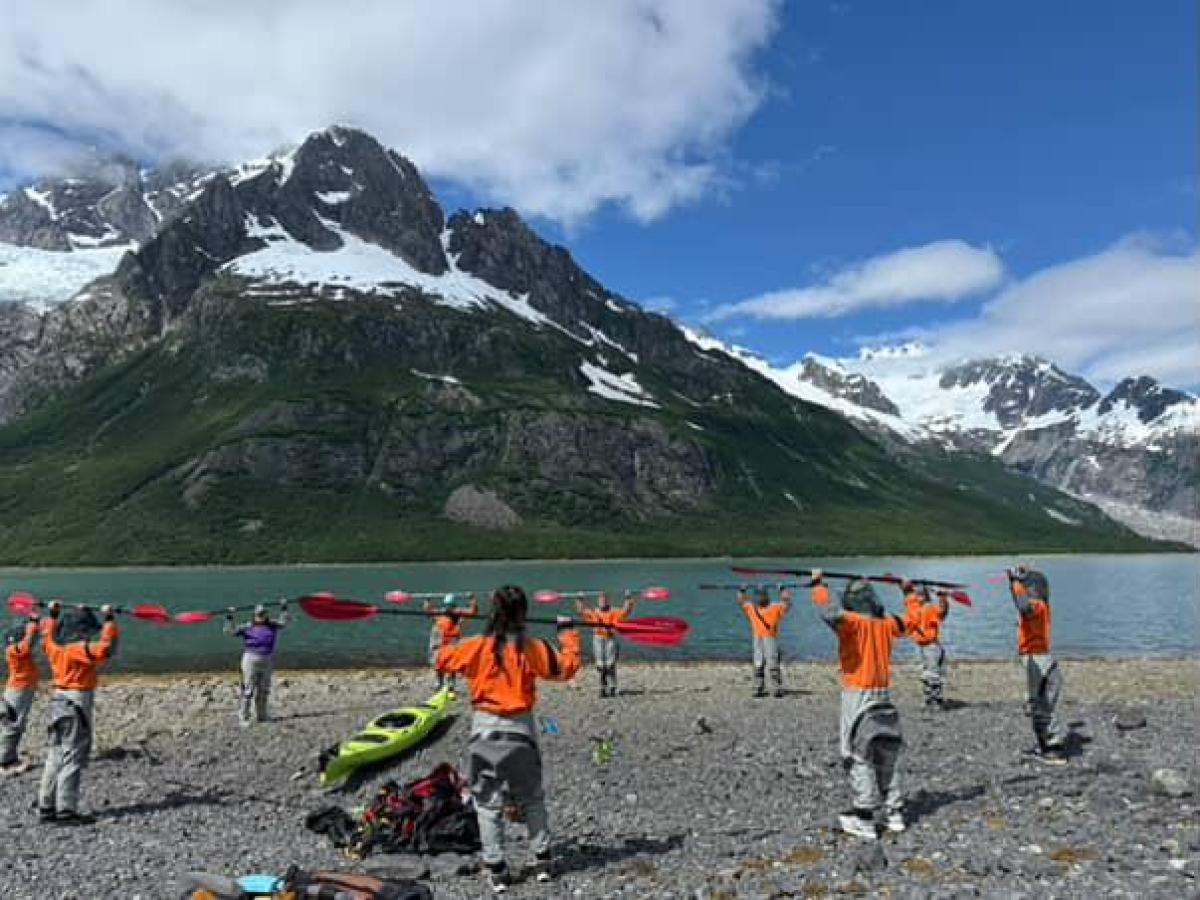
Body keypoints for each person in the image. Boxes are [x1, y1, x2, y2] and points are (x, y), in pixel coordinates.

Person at [435, 585, 580, 894]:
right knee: (532, 799)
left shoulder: (475, 646)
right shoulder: (532, 647)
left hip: (484, 731)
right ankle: (542, 862)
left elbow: (439, 658)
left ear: (493, 612)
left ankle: (498, 870)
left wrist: (447, 625)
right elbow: (566, 669)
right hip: (521, 732)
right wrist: (568, 635)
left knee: (488, 804)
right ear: (523, 614)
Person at [814, 579, 907, 840]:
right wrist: (909, 592)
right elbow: (907, 622)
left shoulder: (853, 623)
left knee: (858, 754)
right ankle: (894, 813)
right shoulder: (887, 624)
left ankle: (864, 818)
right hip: (883, 693)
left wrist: (818, 585)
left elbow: (829, 612)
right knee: (887, 751)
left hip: (858, 695)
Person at [38, 602, 119, 825]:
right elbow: (106, 649)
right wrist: (110, 621)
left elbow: (47, 635)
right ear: (81, 631)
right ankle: (66, 810)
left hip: (58, 700)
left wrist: (53, 614)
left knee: (55, 753)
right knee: (73, 754)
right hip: (77, 701)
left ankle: (46, 806)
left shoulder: (54, 647)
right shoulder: (78, 649)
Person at [1008, 565, 1067, 764]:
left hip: (1039, 658)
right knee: (1040, 702)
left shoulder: (1039, 606)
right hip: (1037, 658)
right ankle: (1047, 746)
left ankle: (1050, 745)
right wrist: (1014, 583)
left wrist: (1015, 582)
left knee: (1042, 701)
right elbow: (1022, 605)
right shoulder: (1038, 606)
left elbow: (1022, 605)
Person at [224, 601, 288, 726]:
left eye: (263, 614)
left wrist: (284, 608)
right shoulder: (247, 627)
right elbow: (229, 631)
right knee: (248, 690)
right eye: (259, 614)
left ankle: (262, 715)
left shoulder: (272, 625)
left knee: (264, 689)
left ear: (266, 615)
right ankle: (244, 717)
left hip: (267, 659)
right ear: (254, 615)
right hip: (250, 660)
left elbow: (284, 623)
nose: (261, 616)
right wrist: (230, 617)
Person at [576, 591, 636, 698]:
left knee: (610, 665)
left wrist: (628, 598)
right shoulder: (594, 612)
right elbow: (581, 611)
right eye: (600, 600)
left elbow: (626, 611)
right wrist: (580, 599)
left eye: (604, 600)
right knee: (600, 666)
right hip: (598, 639)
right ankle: (602, 688)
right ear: (598, 601)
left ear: (608, 601)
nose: (602, 602)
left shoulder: (614, 611)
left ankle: (612, 687)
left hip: (610, 640)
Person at [1, 610, 41, 774]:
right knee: (12, 725)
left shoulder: (15, 648)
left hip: (21, 689)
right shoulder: (14, 649)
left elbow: (31, 640)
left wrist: (35, 624)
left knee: (15, 723)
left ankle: (9, 757)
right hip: (18, 691)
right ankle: (5, 762)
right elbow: (28, 642)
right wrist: (32, 623)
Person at [738, 585, 792, 698]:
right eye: (758, 595)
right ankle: (758, 688)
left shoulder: (775, 607)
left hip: (770, 638)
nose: (760, 598)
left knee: (773, 664)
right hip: (757, 638)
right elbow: (741, 600)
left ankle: (776, 688)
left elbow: (787, 604)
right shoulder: (751, 607)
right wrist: (742, 590)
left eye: (762, 595)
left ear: (766, 596)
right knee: (758, 664)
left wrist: (782, 590)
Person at [903, 585, 950, 708]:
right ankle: (928, 698)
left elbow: (942, 613)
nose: (918, 597)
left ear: (926, 596)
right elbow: (908, 598)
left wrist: (942, 598)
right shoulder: (914, 608)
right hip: (919, 646)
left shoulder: (930, 608)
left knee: (933, 674)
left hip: (931, 646)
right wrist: (905, 587)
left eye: (921, 594)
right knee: (924, 674)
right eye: (917, 594)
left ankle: (936, 700)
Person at [425, 593, 478, 691]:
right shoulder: (440, 613)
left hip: (452, 641)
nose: (448, 608)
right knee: (438, 661)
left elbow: (473, 611)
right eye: (447, 606)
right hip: (438, 641)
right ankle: (439, 682)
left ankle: (451, 684)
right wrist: (427, 600)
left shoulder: (458, 613)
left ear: (454, 605)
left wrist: (472, 599)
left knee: (452, 662)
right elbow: (428, 611)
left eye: (450, 606)